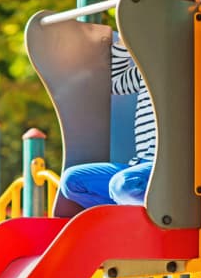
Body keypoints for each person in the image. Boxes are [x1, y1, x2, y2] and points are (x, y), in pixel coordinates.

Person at [59, 36, 155, 208]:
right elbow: (114, 85)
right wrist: (121, 46)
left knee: (124, 185)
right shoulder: (145, 71)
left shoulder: (188, 69)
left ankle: (155, 216)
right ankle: (129, 214)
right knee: (72, 181)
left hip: (165, 167)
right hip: (142, 164)